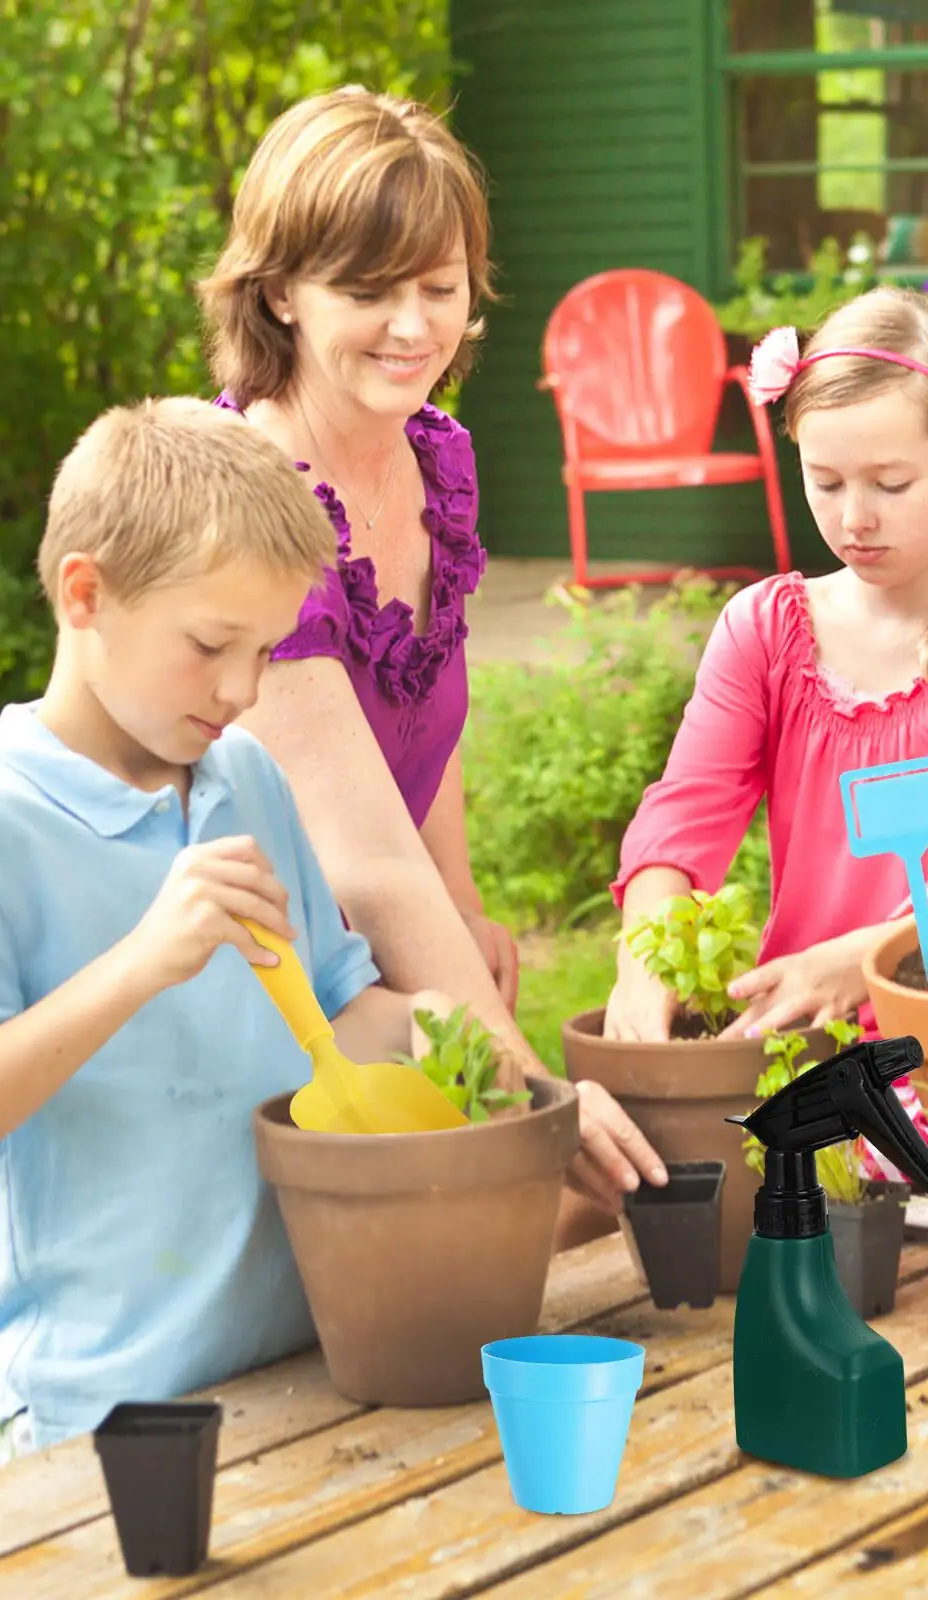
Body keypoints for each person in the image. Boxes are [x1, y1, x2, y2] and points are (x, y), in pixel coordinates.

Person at [0, 400, 466, 1463]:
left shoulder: (246, 776)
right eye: (211, 644)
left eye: (263, 648)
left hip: (303, 1373)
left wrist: (455, 1038)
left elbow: (337, 1014)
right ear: (86, 594)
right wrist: (136, 966)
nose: (242, 689)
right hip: (98, 1423)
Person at [197, 87, 663, 1222]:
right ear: (279, 294)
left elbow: (421, 711)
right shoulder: (250, 507)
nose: (413, 326)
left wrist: (462, 908)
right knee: (516, 1218)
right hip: (268, 986)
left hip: (391, 957)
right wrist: (532, 1086)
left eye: (439, 289)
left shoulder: (435, 459)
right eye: (367, 291)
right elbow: (356, 855)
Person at [604, 288, 928, 1048]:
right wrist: (643, 956)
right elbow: (685, 817)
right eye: (825, 482)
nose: (854, 517)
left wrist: (850, 967)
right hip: (788, 1039)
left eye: (890, 485)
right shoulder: (764, 630)